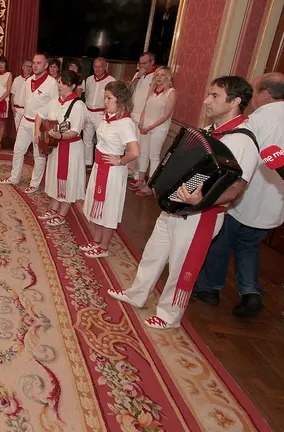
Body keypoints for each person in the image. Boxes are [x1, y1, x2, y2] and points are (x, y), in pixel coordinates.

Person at [109, 76, 259, 329]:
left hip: (202, 215)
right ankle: (137, 293)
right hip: (177, 207)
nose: (206, 101)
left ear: (235, 102)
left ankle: (170, 315)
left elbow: (237, 187)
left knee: (181, 266)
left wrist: (205, 199)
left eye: (214, 96)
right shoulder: (211, 131)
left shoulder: (242, 140)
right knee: (153, 253)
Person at [193, 72, 284, 317]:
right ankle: (250, 291)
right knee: (248, 246)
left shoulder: (255, 121)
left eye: (254, 93)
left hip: (243, 198)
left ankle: (209, 288)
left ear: (265, 94)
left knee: (221, 242)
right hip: (274, 203)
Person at [81, 81, 140, 258]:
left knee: (108, 208)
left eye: (109, 98)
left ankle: (104, 247)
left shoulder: (125, 123)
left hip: (112, 172)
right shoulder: (108, 118)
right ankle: (96, 240)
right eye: (104, 97)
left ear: (120, 100)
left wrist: (120, 161)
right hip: (100, 167)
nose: (105, 101)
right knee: (96, 205)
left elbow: (135, 151)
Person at [35, 71, 88, 227]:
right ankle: (54, 208)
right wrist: (38, 131)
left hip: (71, 149)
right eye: (58, 82)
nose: (59, 85)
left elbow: (74, 131)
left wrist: (60, 136)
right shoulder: (55, 101)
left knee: (67, 180)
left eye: (63, 83)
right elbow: (39, 115)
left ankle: (62, 213)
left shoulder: (78, 105)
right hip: (56, 146)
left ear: (72, 86)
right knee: (55, 177)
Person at [0, 53, 58, 191]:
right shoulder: (28, 81)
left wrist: (49, 127)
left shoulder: (52, 84)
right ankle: (14, 177)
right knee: (18, 150)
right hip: (25, 120)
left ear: (46, 65)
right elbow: (25, 102)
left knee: (39, 155)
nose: (35, 66)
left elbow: (56, 107)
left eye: (39, 63)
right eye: (34, 63)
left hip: (41, 124)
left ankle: (34, 184)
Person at [130, 67, 177, 196]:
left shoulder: (171, 92)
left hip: (159, 128)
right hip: (145, 126)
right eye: (157, 75)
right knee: (143, 153)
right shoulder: (152, 90)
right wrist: (141, 122)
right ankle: (141, 179)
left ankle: (151, 185)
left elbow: (166, 115)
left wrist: (150, 127)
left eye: (162, 75)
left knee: (154, 155)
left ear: (168, 77)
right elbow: (145, 108)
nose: (159, 77)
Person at [82, 58, 116, 167]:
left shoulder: (111, 80)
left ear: (105, 67)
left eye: (100, 66)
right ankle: (87, 162)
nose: (97, 69)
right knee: (87, 139)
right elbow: (87, 95)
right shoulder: (89, 79)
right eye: (95, 66)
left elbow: (113, 99)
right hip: (88, 111)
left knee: (101, 139)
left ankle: (99, 162)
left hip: (101, 113)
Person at [129, 52, 157, 175]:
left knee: (142, 148)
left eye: (145, 63)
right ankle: (130, 170)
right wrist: (138, 77)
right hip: (133, 114)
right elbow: (129, 90)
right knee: (131, 145)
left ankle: (138, 175)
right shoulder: (138, 74)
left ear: (152, 62)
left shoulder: (156, 76)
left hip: (145, 117)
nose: (142, 66)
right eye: (140, 63)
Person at [11, 59, 33, 131]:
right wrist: (12, 107)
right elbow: (13, 94)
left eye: (30, 66)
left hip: (26, 110)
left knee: (26, 131)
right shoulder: (17, 79)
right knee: (18, 130)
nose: (29, 68)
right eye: (27, 66)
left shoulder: (33, 80)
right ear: (22, 67)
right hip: (17, 109)